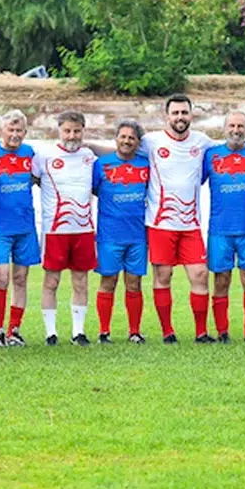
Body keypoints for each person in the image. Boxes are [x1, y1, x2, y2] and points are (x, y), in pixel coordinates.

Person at [140, 94, 215, 344]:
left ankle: (201, 333)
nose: (180, 117)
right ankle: (167, 332)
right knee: (163, 276)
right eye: (176, 113)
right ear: (167, 116)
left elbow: (228, 149)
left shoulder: (202, 142)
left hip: (191, 224)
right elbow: (121, 148)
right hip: (161, 223)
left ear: (191, 115)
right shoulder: (150, 142)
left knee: (200, 275)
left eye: (184, 113)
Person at [34, 110, 98, 346]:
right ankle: (51, 333)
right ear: (58, 131)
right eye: (67, 131)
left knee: (80, 281)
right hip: (55, 230)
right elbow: (33, 181)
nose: (71, 136)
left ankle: (78, 332)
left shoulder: (89, 156)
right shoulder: (44, 156)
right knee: (51, 281)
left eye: (77, 131)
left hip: (83, 230)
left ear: (83, 131)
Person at [202, 111, 245, 343]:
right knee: (221, 279)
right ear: (224, 128)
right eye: (232, 125)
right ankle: (222, 332)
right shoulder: (211, 156)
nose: (236, 130)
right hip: (220, 230)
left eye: (240, 125)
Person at [93, 121, 151, 344]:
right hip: (109, 235)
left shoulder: (146, 165)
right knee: (108, 281)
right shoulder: (102, 165)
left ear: (137, 142)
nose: (127, 141)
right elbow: (94, 189)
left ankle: (134, 331)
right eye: (123, 136)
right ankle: (104, 331)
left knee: (134, 282)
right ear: (116, 138)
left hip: (137, 235)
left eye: (131, 138)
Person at [0, 110, 39, 346]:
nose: (15, 135)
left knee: (21, 278)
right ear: (2, 131)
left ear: (25, 133)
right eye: (11, 130)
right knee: (2, 278)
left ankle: (14, 330)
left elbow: (40, 179)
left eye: (19, 131)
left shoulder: (30, 154)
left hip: (25, 226)